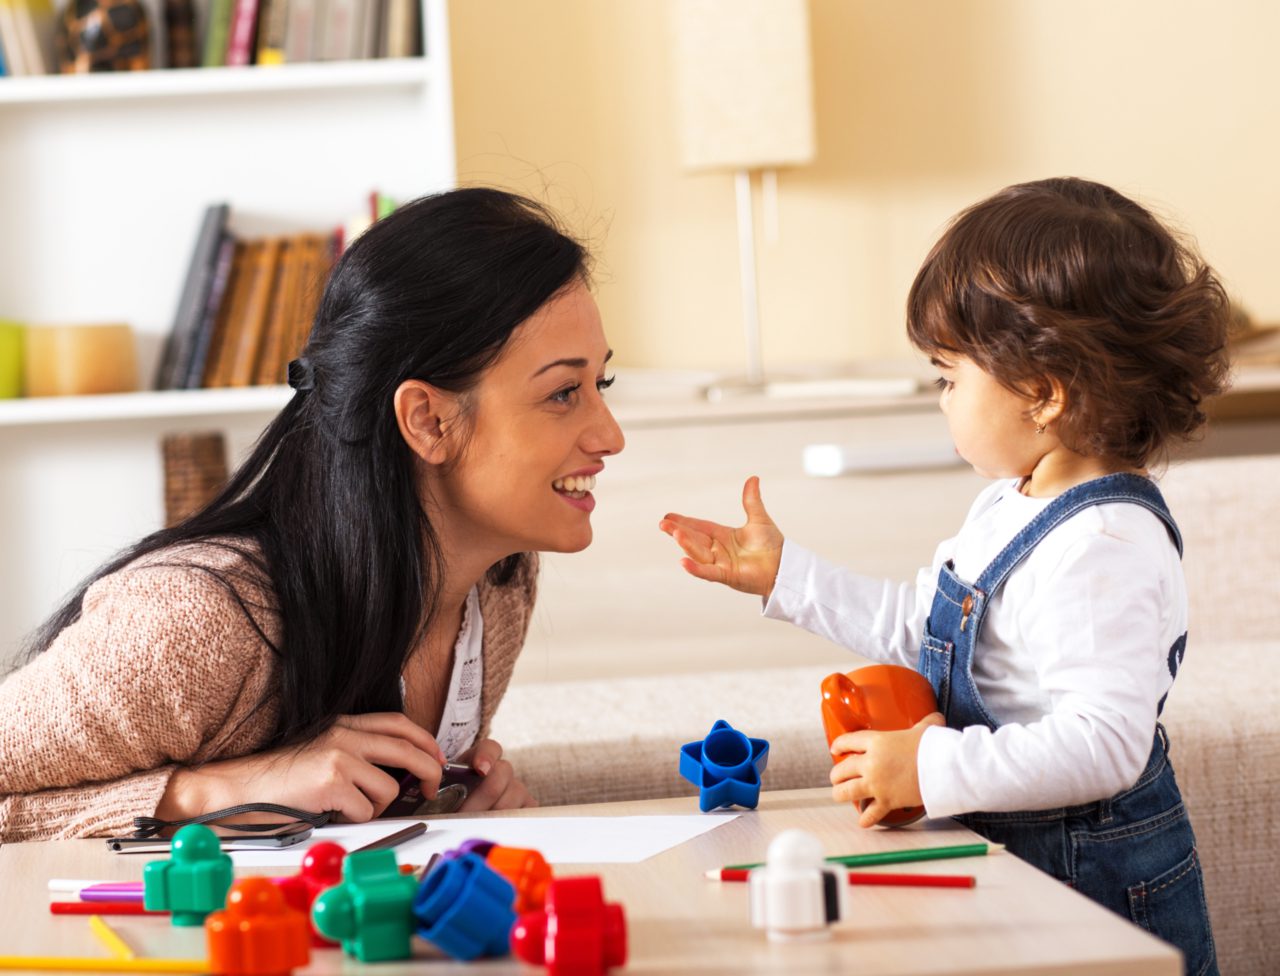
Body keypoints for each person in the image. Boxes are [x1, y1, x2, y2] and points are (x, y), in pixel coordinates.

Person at [659, 177, 1226, 972]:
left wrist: (932, 766)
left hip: (1092, 887)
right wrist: (786, 576)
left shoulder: (1103, 543)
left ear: (1043, 393)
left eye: (948, 378)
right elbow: (919, 625)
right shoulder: (1012, 503)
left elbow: (1104, 747)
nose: (941, 399)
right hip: (1013, 858)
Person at [0, 187, 625, 841]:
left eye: (599, 385)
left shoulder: (497, 585)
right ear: (427, 420)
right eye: (563, 393)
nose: (610, 436)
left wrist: (449, 810)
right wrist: (207, 795)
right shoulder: (196, 622)